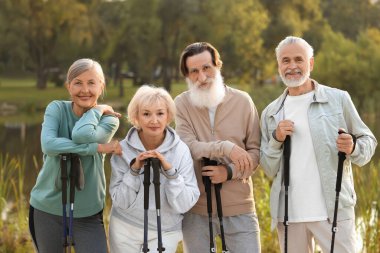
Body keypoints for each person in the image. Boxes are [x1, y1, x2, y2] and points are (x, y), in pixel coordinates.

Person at [260, 36, 377, 253]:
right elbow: (268, 168)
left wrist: (352, 148)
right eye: (285, 61)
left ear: (310, 63)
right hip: (289, 216)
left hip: (334, 211)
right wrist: (276, 139)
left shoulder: (338, 99)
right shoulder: (271, 113)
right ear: (278, 66)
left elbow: (369, 141)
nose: (292, 66)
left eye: (298, 59)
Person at [174, 42, 261, 253]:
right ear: (187, 76)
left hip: (240, 207)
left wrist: (228, 171)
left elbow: (256, 153)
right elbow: (188, 147)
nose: (201, 77)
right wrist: (225, 148)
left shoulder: (243, 101)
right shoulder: (181, 104)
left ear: (218, 66)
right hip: (196, 210)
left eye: (206, 68)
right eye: (194, 71)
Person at [29, 58, 122, 253]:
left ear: (101, 86)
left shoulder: (110, 119)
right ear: (68, 86)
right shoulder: (56, 108)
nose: (84, 90)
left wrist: (96, 110)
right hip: (47, 208)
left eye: (91, 83)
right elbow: (48, 145)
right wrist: (96, 148)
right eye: (78, 83)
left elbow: (82, 135)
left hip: (88, 212)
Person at [108, 85, 200, 253]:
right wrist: (134, 171)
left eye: (160, 113)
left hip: (166, 230)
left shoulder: (181, 150)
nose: (154, 120)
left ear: (168, 116)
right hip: (125, 228)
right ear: (136, 116)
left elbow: (186, 203)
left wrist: (171, 174)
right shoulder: (123, 150)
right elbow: (120, 200)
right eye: (146, 114)